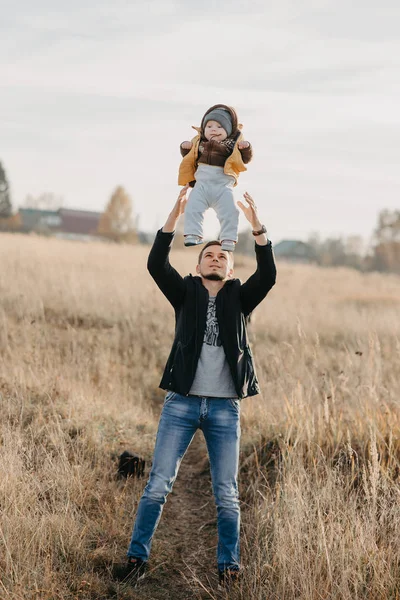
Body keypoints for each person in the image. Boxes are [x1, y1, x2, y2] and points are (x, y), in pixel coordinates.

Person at [114, 185, 276, 588]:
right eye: (208, 254)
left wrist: (257, 228)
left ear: (231, 269)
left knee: (226, 493)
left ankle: (228, 567)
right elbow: (156, 264)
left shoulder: (240, 297)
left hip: (224, 410)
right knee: (157, 486)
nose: (216, 257)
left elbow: (269, 275)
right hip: (181, 404)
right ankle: (137, 559)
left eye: (222, 255)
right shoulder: (184, 292)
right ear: (199, 265)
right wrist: (174, 217)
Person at [178, 104, 252, 252]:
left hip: (223, 187)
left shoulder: (232, 144)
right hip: (202, 186)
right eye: (209, 126)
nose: (213, 129)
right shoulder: (199, 143)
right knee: (192, 207)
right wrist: (184, 147)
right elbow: (190, 158)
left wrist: (246, 147)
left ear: (229, 130)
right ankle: (193, 234)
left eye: (219, 127)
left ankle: (228, 239)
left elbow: (245, 159)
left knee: (230, 212)